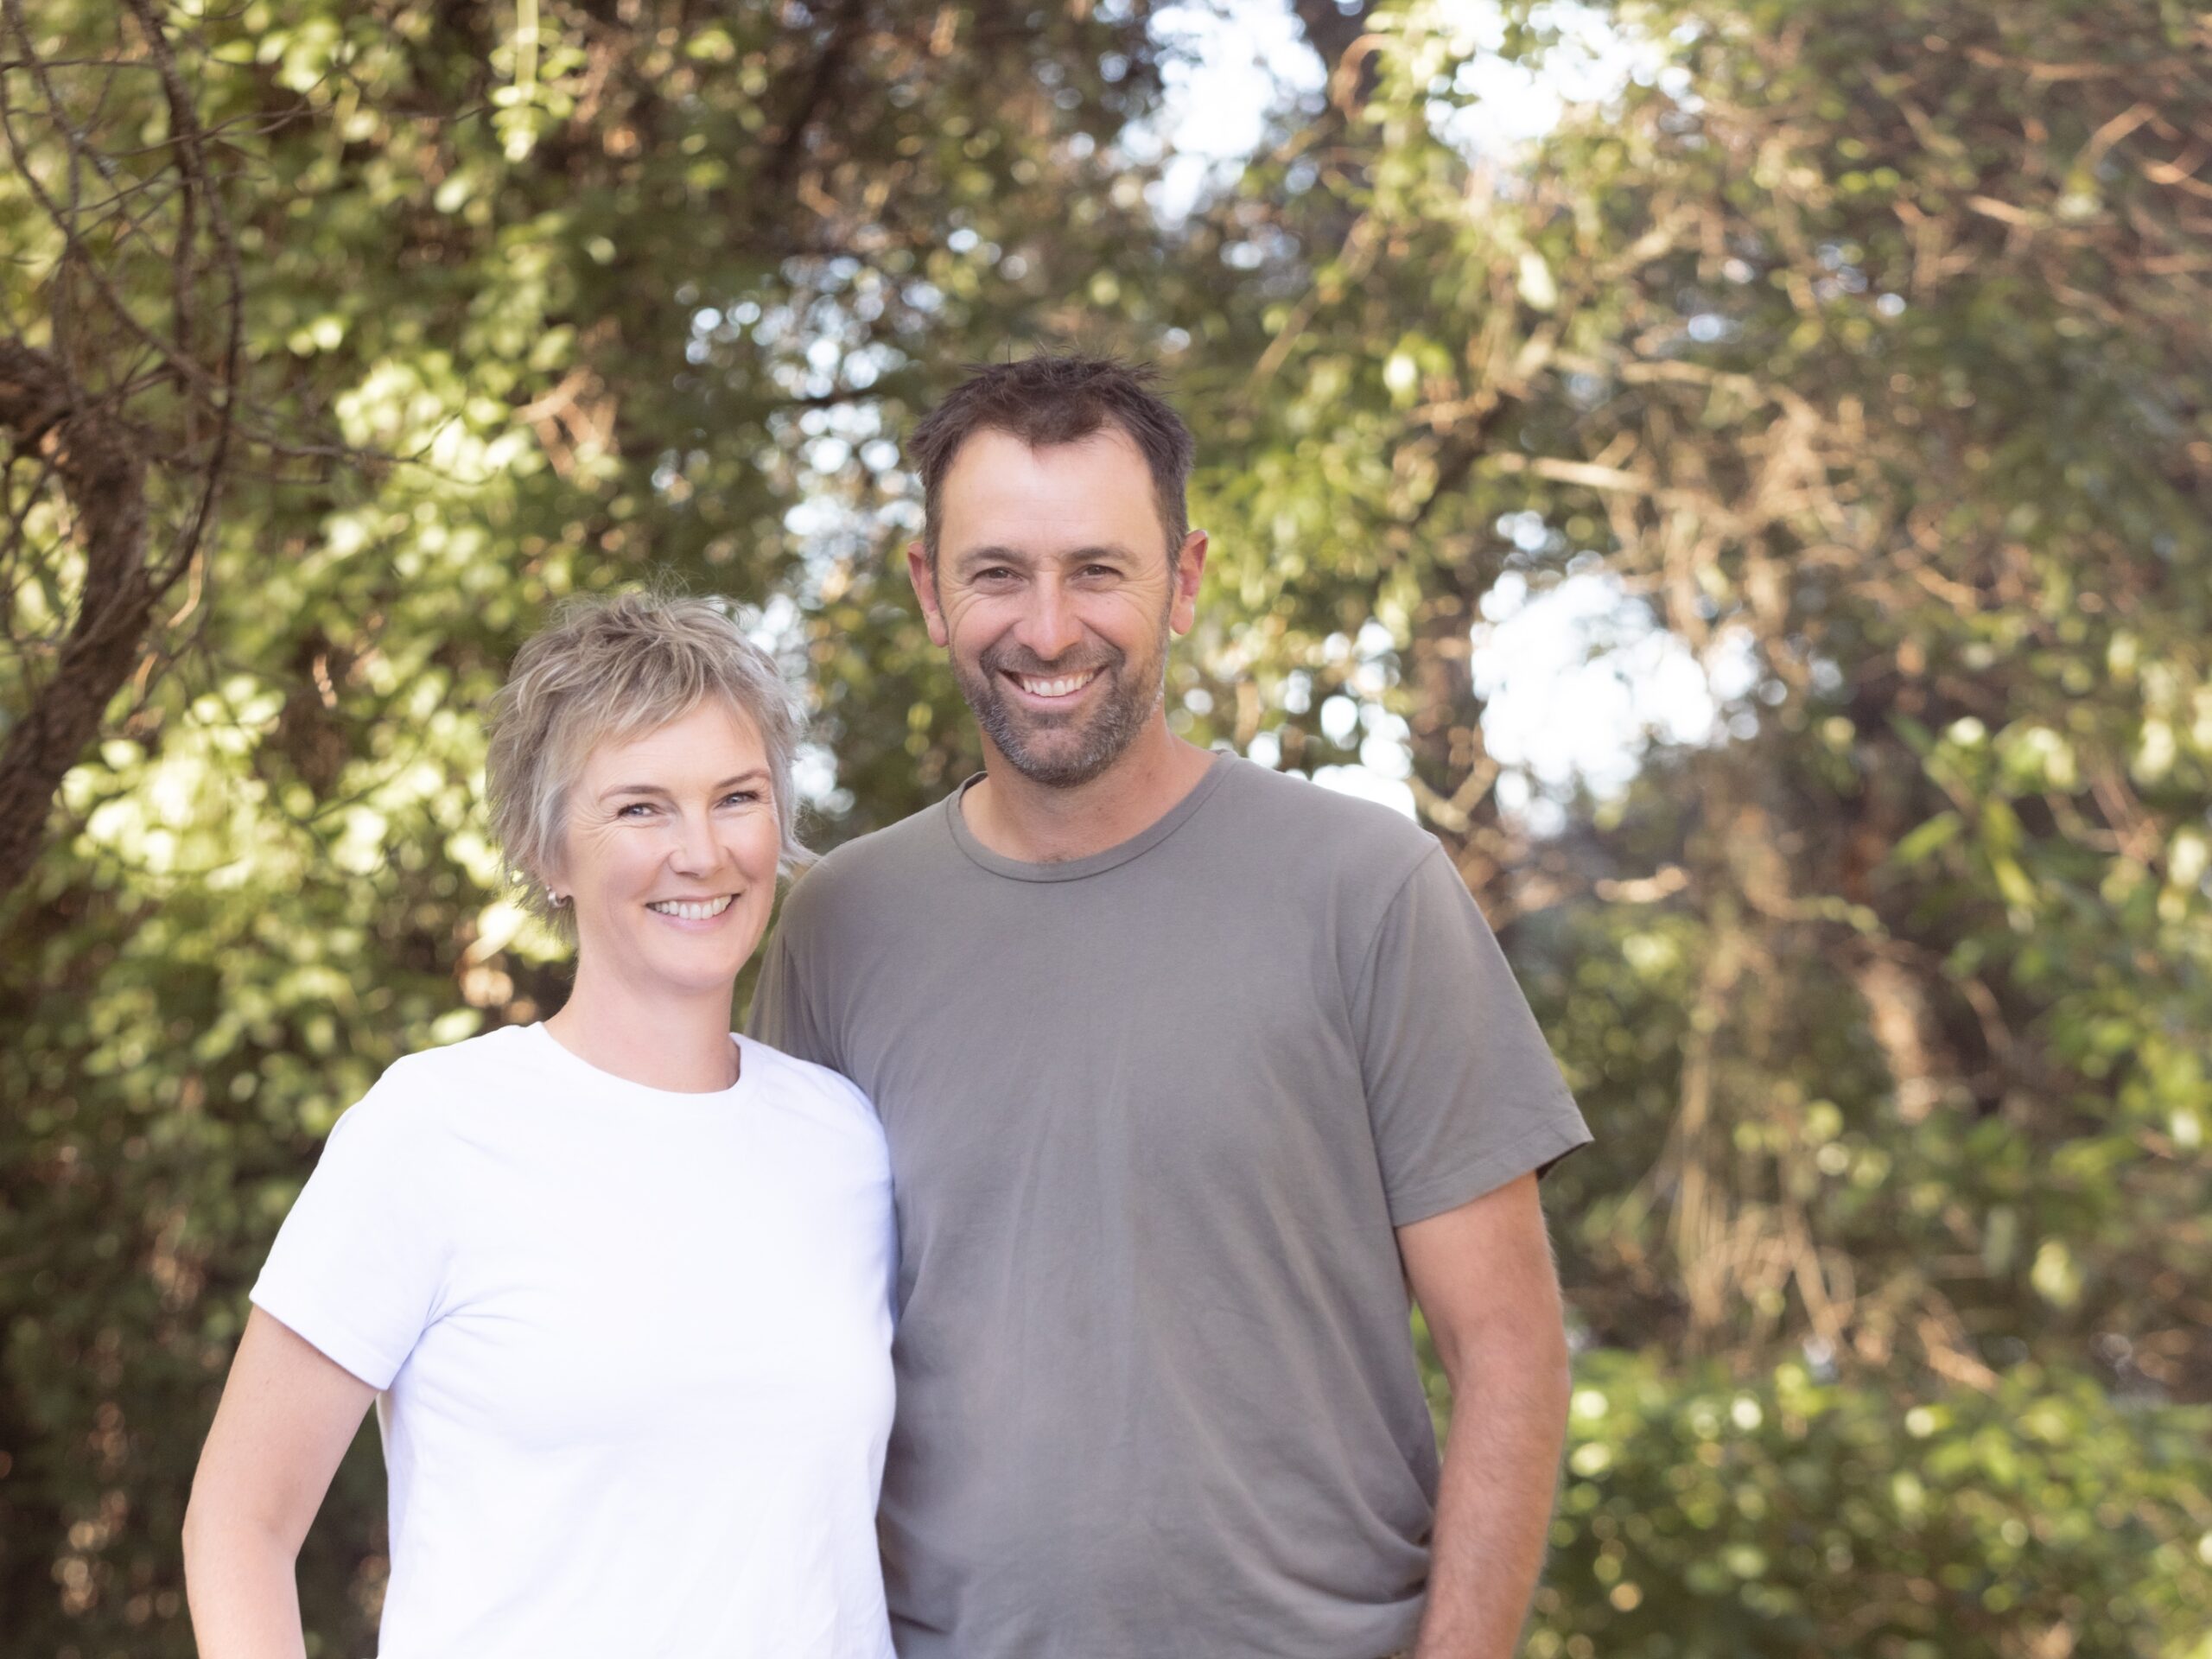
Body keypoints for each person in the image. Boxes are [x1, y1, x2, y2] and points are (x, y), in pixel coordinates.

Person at [750, 354, 1593, 1659]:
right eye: (996, 573)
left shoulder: (1365, 890)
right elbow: (777, 1357)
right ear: (928, 591)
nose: (1046, 630)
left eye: (1097, 570)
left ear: (1184, 582)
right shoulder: (838, 924)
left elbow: (1511, 1351)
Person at [183, 594, 897, 1659]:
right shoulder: (432, 1131)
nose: (701, 851)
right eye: (641, 808)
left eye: (736, 798)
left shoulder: (845, 1140)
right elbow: (239, 1525)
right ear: (546, 850)